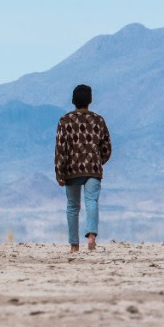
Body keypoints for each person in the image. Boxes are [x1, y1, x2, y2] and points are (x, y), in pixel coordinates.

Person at [54, 84, 112, 253]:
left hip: (71, 170)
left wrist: (60, 172)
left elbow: (60, 149)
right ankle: (92, 237)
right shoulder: (98, 120)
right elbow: (107, 147)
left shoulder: (65, 121)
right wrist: (98, 161)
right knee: (92, 201)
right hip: (93, 169)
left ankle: (74, 245)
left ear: (73, 101)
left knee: (72, 206)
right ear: (90, 100)